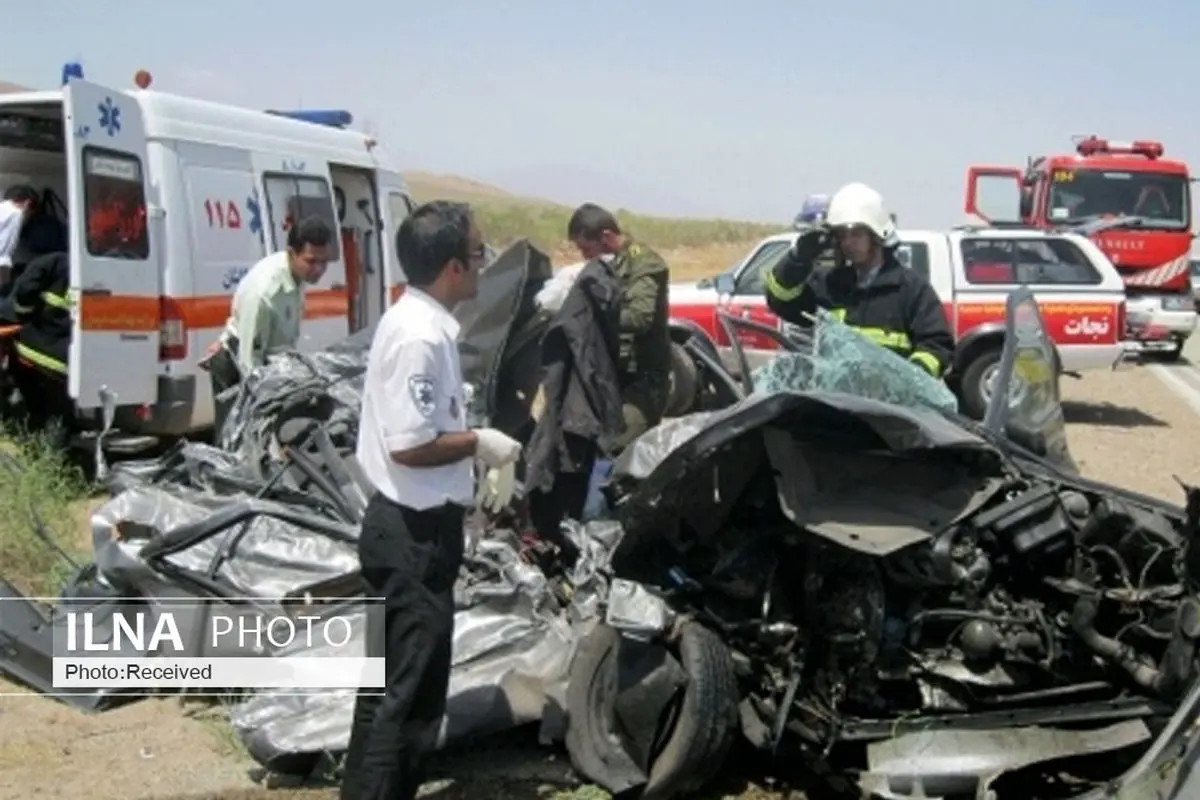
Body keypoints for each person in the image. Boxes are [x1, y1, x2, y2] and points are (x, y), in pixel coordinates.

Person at [341, 200, 522, 800]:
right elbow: (411, 445)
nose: (483, 265)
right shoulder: (419, 337)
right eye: (477, 255)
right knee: (407, 699)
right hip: (411, 536)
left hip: (414, 529)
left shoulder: (424, 326)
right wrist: (480, 443)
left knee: (388, 691)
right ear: (451, 267)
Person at [764, 182, 954, 378]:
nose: (847, 242)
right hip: (836, 401)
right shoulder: (830, 285)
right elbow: (780, 300)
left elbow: (937, 345)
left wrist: (912, 378)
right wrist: (797, 259)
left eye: (856, 233)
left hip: (890, 406)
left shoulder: (910, 289)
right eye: (841, 235)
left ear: (877, 235)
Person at [202, 215, 333, 434]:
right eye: (312, 261)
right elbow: (249, 364)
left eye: (324, 262)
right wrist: (263, 406)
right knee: (236, 442)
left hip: (269, 365)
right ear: (292, 253)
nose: (319, 269)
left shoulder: (296, 275)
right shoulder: (265, 292)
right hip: (239, 366)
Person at [567, 203, 671, 450]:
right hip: (611, 381)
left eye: (587, 249)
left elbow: (639, 317)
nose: (584, 257)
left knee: (611, 448)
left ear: (606, 237)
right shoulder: (608, 266)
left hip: (642, 385)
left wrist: (592, 315)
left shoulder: (644, 263)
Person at [1, 249, 72, 446]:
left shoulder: (52, 262)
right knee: (59, 417)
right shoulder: (101, 272)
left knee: (35, 409)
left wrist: (23, 314)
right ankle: (51, 462)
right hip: (69, 363)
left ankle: (28, 444)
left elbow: (25, 293)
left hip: (33, 351)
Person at [0, 185, 40, 291]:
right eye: (31, 214)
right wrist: (6, 286)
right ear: (28, 203)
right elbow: (3, 257)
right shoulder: (15, 213)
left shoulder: (3, 209)